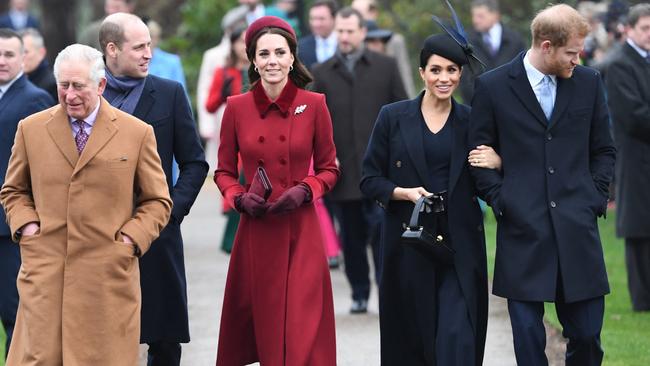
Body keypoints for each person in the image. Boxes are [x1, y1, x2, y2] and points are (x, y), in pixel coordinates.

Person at [0, 43, 172, 365]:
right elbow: (13, 191)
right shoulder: (31, 129)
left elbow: (157, 200)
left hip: (107, 277)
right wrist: (27, 226)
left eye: (79, 86)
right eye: (63, 85)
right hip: (45, 276)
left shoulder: (136, 133)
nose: (70, 95)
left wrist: (131, 238)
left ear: (101, 85)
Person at [469, 4, 616, 365]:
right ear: (546, 46)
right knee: (528, 341)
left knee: (587, 335)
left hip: (577, 227)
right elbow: (478, 154)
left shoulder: (589, 82)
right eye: (571, 52)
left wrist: (594, 197)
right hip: (522, 228)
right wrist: (503, 199)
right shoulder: (492, 86)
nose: (577, 60)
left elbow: (604, 149)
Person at [360, 27, 500, 364]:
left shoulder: (471, 120)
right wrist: (403, 193)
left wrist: (499, 161)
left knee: (457, 338)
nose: (444, 78)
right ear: (422, 72)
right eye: (435, 70)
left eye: (452, 70)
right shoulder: (392, 117)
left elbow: (486, 176)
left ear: (460, 74)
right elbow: (369, 179)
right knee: (411, 340)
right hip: (408, 244)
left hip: (459, 244)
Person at [214, 16, 339, 365]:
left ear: (292, 57)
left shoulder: (314, 104)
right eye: (264, 53)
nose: (272, 60)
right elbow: (223, 171)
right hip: (257, 231)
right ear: (252, 59)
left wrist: (306, 189)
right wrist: (238, 197)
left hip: (301, 229)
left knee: (302, 330)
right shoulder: (236, 108)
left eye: (279, 52)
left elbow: (330, 168)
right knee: (265, 328)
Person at [99, 13, 208, 365]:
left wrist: (170, 213)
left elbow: (194, 162)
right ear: (111, 50)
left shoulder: (169, 93)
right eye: (140, 47)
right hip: (99, 234)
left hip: (158, 234)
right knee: (101, 332)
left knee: (162, 338)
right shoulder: (86, 94)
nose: (149, 53)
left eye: (150, 45)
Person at [312, 6, 407, 314]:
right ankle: (359, 292)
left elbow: (404, 116)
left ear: (363, 32)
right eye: (340, 31)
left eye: (350, 31)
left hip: (381, 173)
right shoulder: (322, 72)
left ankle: (387, 289)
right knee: (351, 239)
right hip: (342, 173)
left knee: (383, 234)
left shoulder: (386, 66)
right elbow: (315, 123)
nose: (344, 36)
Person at [0, 27, 54, 359]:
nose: (2, 61)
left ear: (24, 58)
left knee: (14, 313)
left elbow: (44, 165)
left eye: (8, 54)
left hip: (10, 226)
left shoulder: (34, 99)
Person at [605, 3, 650, 312]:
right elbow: (633, 116)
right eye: (646, 28)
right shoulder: (620, 63)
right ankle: (643, 300)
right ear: (630, 29)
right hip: (636, 157)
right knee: (640, 231)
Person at [205, 24, 249, 254]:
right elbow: (209, 105)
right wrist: (222, 94)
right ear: (232, 44)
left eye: (247, 40)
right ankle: (232, 239)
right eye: (239, 41)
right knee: (236, 180)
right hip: (233, 133)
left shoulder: (260, 69)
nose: (243, 46)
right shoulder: (224, 72)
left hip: (257, 131)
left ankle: (242, 235)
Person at [459, 0, 526, 103]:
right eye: (474, 16)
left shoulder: (515, 40)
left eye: (480, 16)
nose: (475, 20)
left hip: (511, 106)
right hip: (477, 106)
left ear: (495, 15)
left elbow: (522, 74)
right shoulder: (466, 41)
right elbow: (465, 78)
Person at [351, 0, 416, 97]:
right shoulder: (349, 42)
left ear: (373, 12)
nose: (355, 17)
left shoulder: (395, 41)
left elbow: (405, 77)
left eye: (359, 13)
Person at [298, 0, 338, 70]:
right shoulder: (302, 47)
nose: (316, 24)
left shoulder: (344, 43)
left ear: (334, 19)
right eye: (313, 19)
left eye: (321, 19)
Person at [19, 27, 57, 100]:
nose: (21, 57)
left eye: (25, 52)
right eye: (18, 52)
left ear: (41, 53)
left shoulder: (53, 85)